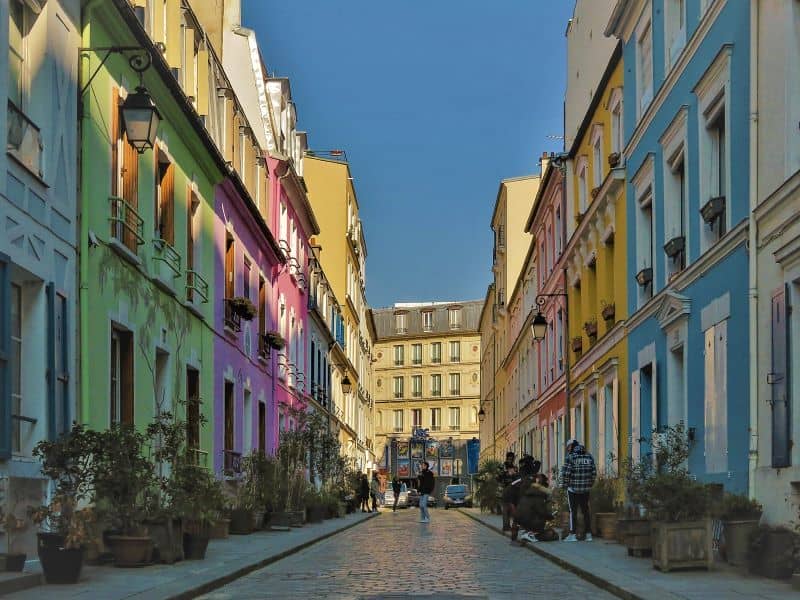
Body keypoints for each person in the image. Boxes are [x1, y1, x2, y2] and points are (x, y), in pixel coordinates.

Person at [560, 439, 597, 542]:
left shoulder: (570, 457)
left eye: (568, 447)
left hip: (573, 489)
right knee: (586, 511)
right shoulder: (589, 456)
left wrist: (565, 485)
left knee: (573, 511)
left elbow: (566, 474)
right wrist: (589, 484)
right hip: (585, 489)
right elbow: (594, 473)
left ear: (571, 446)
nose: (567, 450)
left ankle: (572, 535)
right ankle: (588, 535)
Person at [498, 451, 516, 531]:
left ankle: (507, 526)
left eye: (511, 459)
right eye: (510, 458)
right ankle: (506, 526)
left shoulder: (510, 466)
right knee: (507, 508)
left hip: (508, 489)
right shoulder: (505, 467)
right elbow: (499, 477)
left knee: (507, 507)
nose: (511, 460)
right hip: (507, 488)